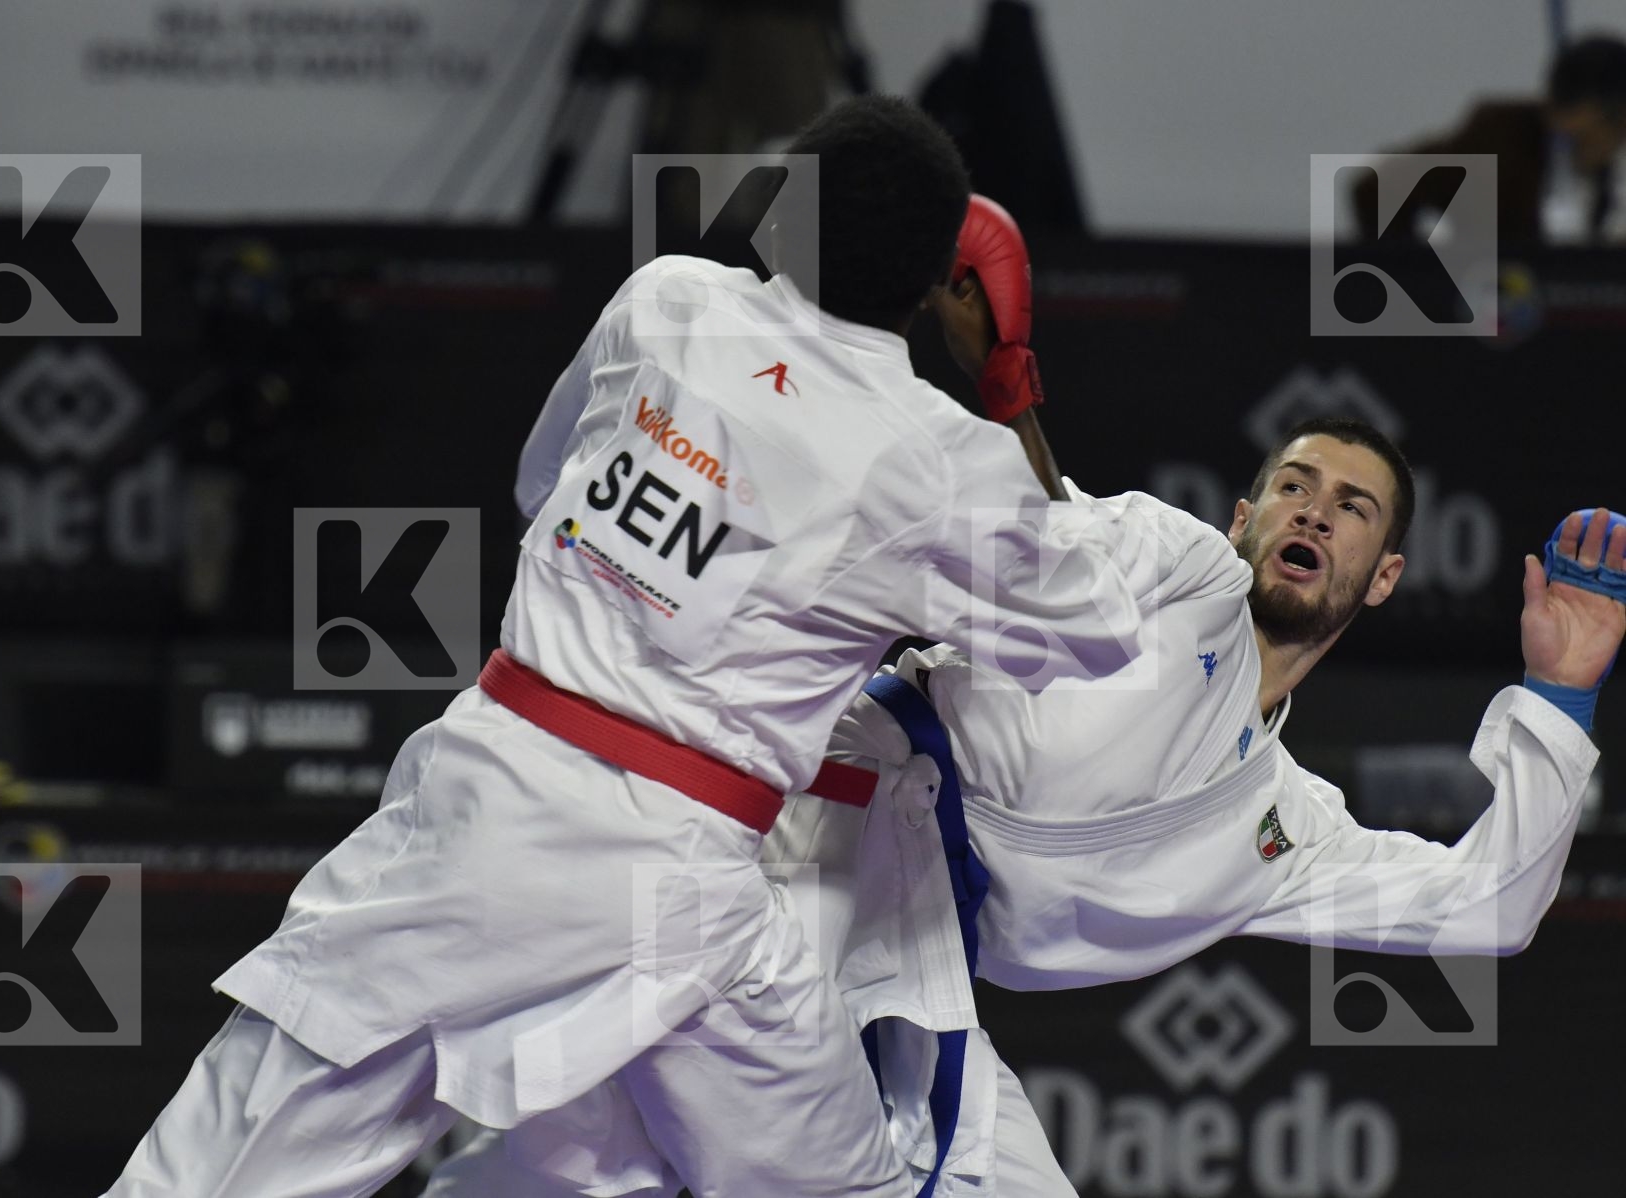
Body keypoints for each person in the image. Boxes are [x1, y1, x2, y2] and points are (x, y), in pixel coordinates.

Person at [103, 97, 1145, 1198]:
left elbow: (538, 486)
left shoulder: (669, 301)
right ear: (939, 282)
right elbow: (1100, 628)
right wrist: (1006, 380)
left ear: (783, 217)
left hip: (489, 803)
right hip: (682, 885)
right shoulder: (938, 457)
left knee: (217, 1166)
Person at [423, 416, 1625, 1196]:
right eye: (1293, 486)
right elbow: (1045, 542)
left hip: (911, 969)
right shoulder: (1165, 563)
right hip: (798, 829)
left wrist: (1562, 697)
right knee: (603, 1152)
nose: (1314, 511)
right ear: (1239, 519)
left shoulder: (1284, 834)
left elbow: (1488, 906)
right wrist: (1017, 414)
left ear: (1386, 575)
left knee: (614, 1154)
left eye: (1352, 507)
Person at [1352, 33, 1626, 243]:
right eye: (1611, 123)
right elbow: (1378, 190)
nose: (1616, 139)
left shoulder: (1604, 168)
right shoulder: (1498, 139)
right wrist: (1421, 280)